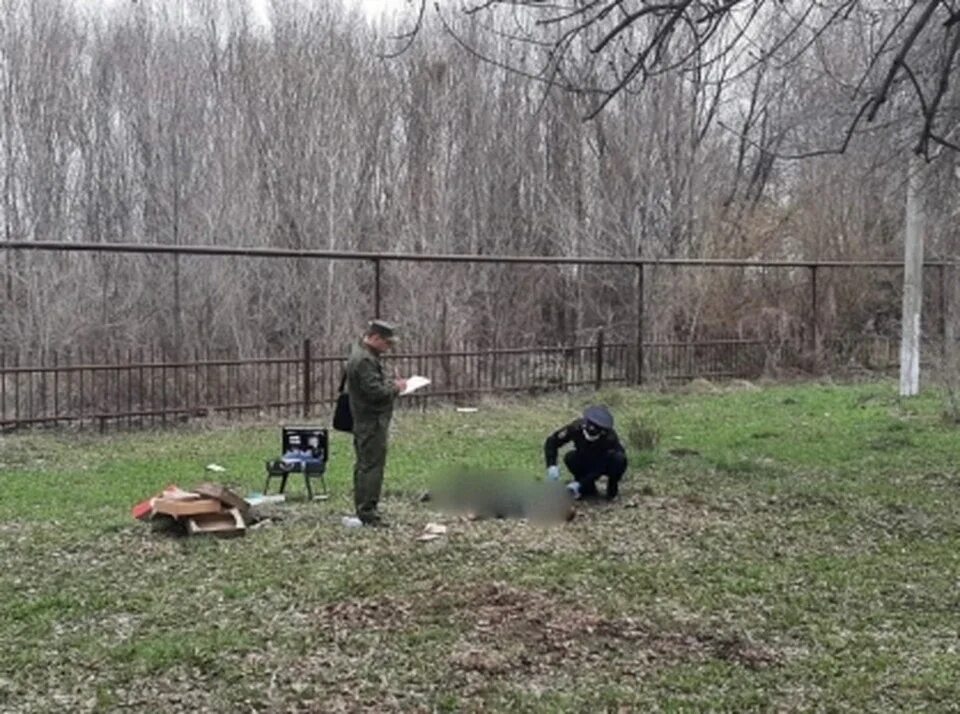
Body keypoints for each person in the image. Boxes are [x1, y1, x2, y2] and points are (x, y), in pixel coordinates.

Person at [345, 319, 406, 526]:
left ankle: (364, 508)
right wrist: (397, 388)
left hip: (367, 419)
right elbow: (375, 392)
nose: (388, 348)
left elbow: (373, 385)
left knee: (364, 465)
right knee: (371, 467)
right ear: (375, 338)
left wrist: (390, 384)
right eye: (386, 343)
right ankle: (368, 512)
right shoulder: (364, 360)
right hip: (371, 420)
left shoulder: (363, 354)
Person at [544, 405, 627, 500]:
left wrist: (581, 483)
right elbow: (552, 442)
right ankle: (588, 489)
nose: (590, 432)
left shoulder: (609, 439)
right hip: (585, 458)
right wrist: (552, 465)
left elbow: (600, 467)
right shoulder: (575, 428)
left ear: (602, 432)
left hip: (606, 463)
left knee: (618, 460)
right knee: (570, 457)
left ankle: (612, 489)